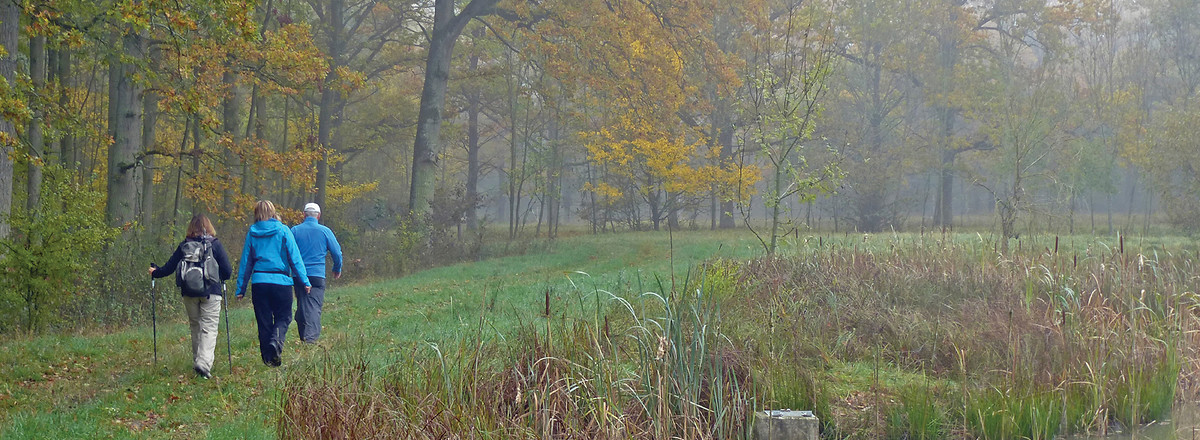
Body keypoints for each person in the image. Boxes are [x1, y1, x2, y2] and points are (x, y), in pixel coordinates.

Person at [149, 214, 233, 379]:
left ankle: (198, 362)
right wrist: (219, 276)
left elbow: (169, 268)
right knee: (209, 328)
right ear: (208, 227)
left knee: (196, 326)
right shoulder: (214, 244)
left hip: (189, 293)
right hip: (211, 292)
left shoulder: (184, 245)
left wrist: (155, 272)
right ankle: (203, 363)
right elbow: (228, 271)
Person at [234, 200, 310, 367]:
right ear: (273, 212)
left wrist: (241, 288)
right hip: (281, 282)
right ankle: (276, 341)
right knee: (284, 317)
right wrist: (304, 280)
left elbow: (246, 262)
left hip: (259, 283)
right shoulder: (283, 230)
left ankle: (269, 359)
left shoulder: (252, 233)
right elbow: (294, 257)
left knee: (264, 321)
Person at [291, 202, 343, 344]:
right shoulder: (325, 231)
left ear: (304, 215)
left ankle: (304, 336)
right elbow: (337, 253)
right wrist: (337, 268)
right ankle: (310, 340)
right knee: (313, 306)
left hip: (298, 275)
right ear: (318, 216)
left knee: (302, 305)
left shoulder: (294, 231)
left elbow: (287, 251)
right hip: (317, 275)